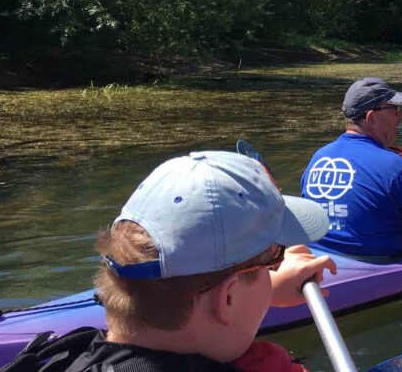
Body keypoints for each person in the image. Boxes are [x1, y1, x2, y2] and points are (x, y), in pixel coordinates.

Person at [20, 150, 337, 372]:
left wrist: (263, 287)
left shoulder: (64, 359)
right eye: (274, 261)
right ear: (226, 297)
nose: (276, 269)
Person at [301, 77, 402, 257]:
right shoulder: (398, 168)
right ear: (370, 118)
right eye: (395, 110)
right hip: (375, 263)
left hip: (321, 255)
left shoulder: (319, 157)